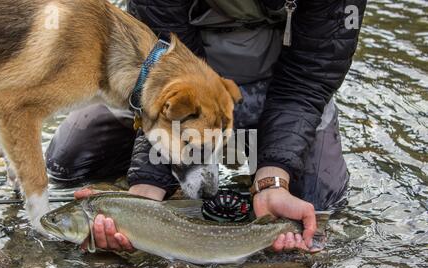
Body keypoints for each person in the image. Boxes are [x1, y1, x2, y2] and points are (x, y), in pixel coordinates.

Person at [46, 0, 366, 253]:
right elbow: (163, 77)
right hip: (180, 92)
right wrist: (144, 191)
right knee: (67, 164)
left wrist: (273, 181)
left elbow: (307, 81)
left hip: (282, 89)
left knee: (323, 206)